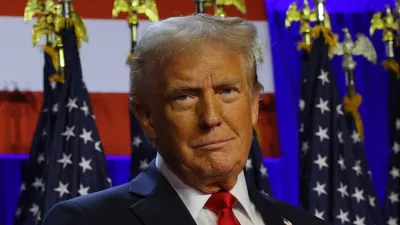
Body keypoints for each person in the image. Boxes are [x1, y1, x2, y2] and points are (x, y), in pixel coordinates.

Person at [42, 14, 330, 225]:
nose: (211, 117)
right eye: (184, 97)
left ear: (255, 105)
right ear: (147, 118)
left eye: (227, 91)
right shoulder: (86, 221)